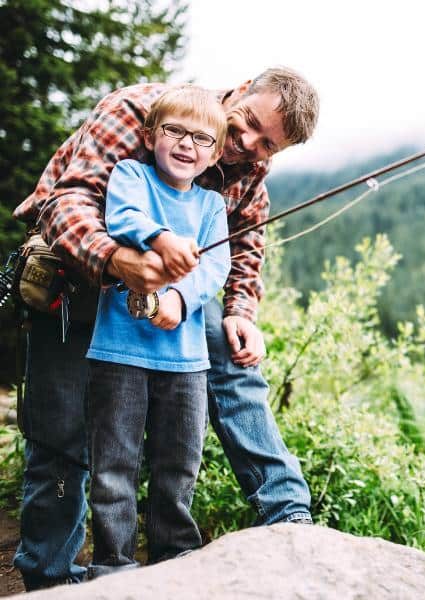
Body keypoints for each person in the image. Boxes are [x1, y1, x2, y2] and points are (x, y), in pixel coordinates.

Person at [12, 66, 319, 590]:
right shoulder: (139, 111)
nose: (243, 144)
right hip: (80, 289)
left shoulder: (249, 170)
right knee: (62, 442)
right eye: (244, 124)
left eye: (265, 144)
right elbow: (66, 205)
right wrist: (118, 258)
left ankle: (290, 518)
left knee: (234, 352)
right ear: (241, 89)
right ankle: (50, 580)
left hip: (172, 311)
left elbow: (244, 252)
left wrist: (241, 312)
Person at [86, 85, 230, 577]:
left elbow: (215, 270)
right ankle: (114, 568)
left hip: (186, 364)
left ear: (214, 155)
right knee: (112, 469)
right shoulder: (131, 175)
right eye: (175, 131)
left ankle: (176, 563)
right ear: (150, 136)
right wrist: (162, 239)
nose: (187, 144)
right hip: (117, 354)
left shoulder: (212, 207)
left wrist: (181, 299)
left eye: (203, 138)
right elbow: (121, 217)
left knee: (179, 469)